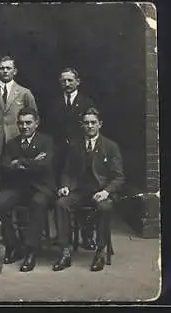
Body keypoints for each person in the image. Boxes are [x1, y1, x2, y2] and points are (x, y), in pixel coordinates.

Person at [53, 107, 124, 272]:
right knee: (61, 204)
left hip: (101, 192)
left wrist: (106, 191)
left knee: (105, 206)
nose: (90, 126)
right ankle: (65, 251)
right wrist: (65, 186)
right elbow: (67, 171)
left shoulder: (110, 146)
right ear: (81, 125)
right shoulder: (75, 146)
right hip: (79, 191)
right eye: (86, 123)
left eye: (93, 122)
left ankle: (100, 251)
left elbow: (119, 177)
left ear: (100, 124)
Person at [0, 107, 55, 272]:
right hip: (18, 188)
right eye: (20, 123)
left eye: (28, 123)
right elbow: (4, 166)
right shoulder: (11, 143)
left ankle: (30, 250)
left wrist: (18, 163)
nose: (24, 127)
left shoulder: (46, 141)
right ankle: (14, 245)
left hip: (40, 188)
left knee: (38, 203)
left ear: (37, 123)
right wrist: (31, 161)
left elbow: (45, 165)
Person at [48, 68, 97, 250]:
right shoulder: (55, 104)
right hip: (60, 155)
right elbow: (50, 129)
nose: (67, 84)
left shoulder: (86, 103)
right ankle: (63, 236)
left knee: (83, 190)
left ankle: (87, 235)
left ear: (78, 81)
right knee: (60, 193)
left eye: (70, 80)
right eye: (63, 81)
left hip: (80, 155)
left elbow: (91, 130)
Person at [0, 56, 37, 153]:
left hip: (16, 136)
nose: (5, 71)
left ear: (15, 71)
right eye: (2, 68)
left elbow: (34, 116)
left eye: (8, 68)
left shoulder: (24, 93)